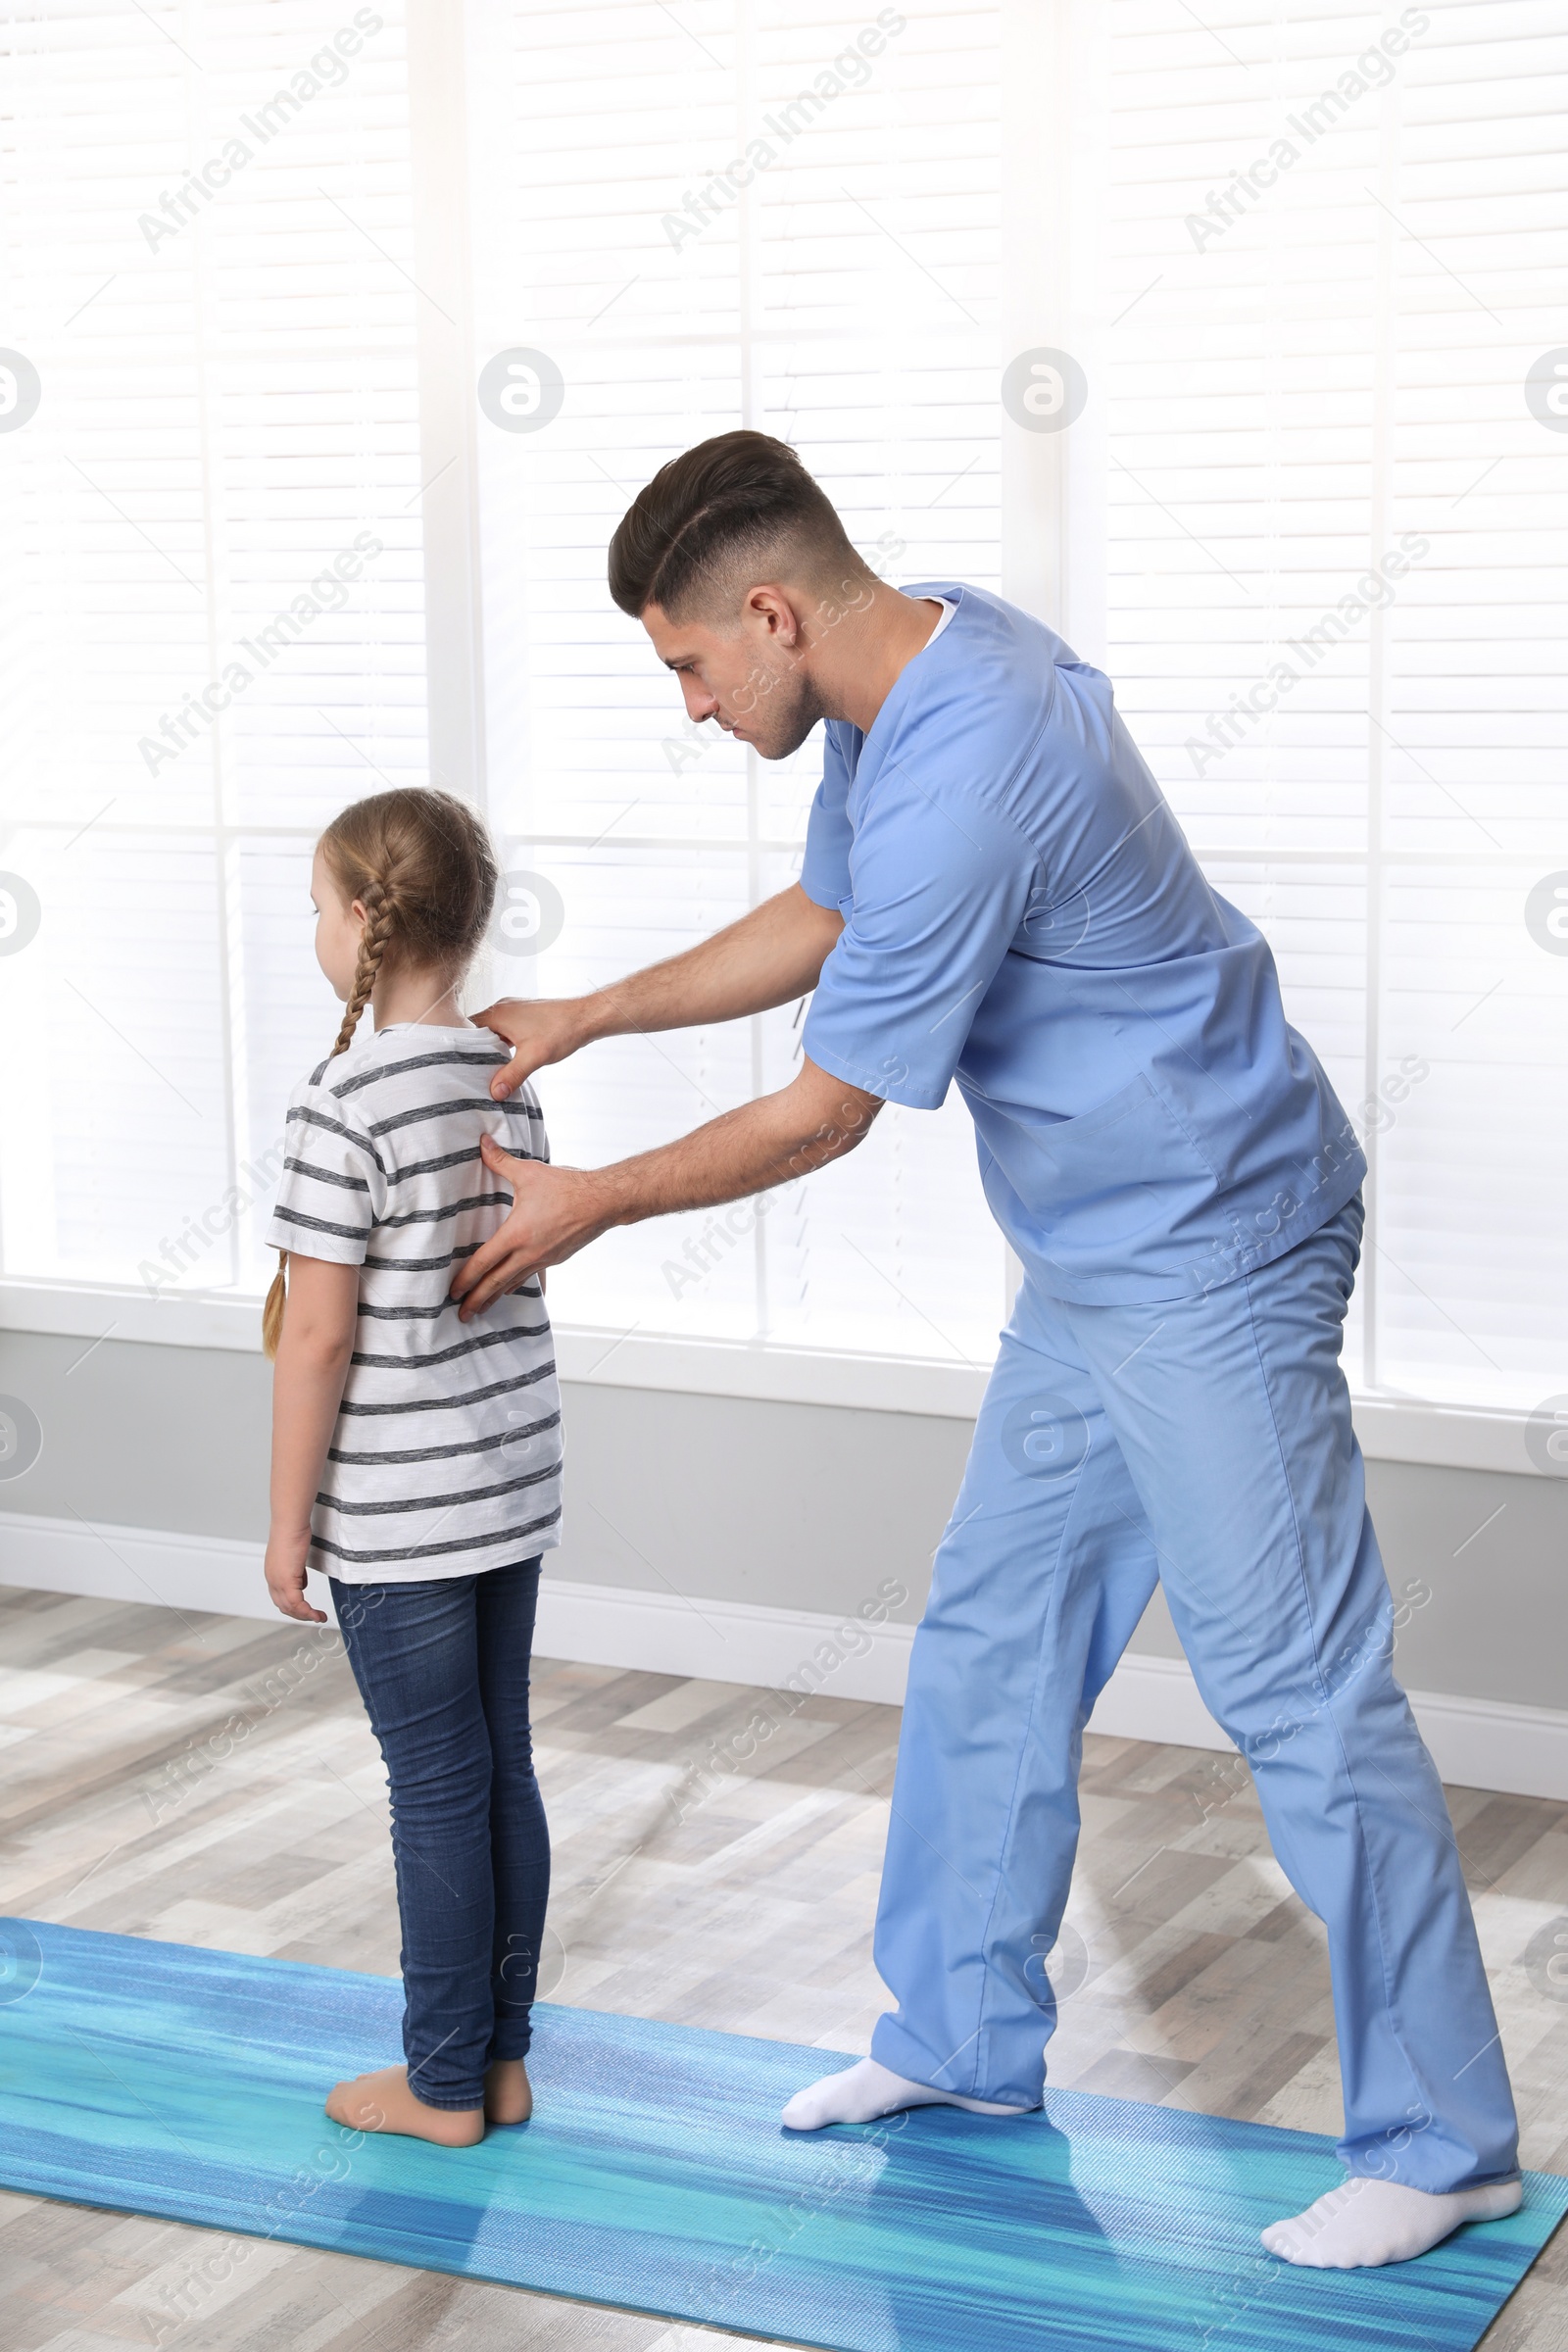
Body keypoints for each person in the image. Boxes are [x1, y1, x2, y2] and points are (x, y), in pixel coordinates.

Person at [449, 430, 1522, 2267]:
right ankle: (958, 2047)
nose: (697, 709)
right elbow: (831, 914)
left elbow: (825, 1119)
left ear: (771, 613)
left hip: (1216, 1238)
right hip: (1097, 1255)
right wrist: (591, 1012)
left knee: (1299, 1694)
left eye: (695, 669)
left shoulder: (974, 760)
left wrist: (586, 1205)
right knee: (991, 1639)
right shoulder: (909, 666)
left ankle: (1444, 2144)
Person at [262, 786, 560, 2147]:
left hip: (397, 1512)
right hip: (505, 1490)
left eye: (319, 907)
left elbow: (316, 1334)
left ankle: (439, 2085)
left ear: (367, 925)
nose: (312, 932)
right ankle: (499, 2064)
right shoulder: (510, 1081)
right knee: (501, 1767)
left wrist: (286, 1526)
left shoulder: (341, 1102)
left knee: (435, 1782)